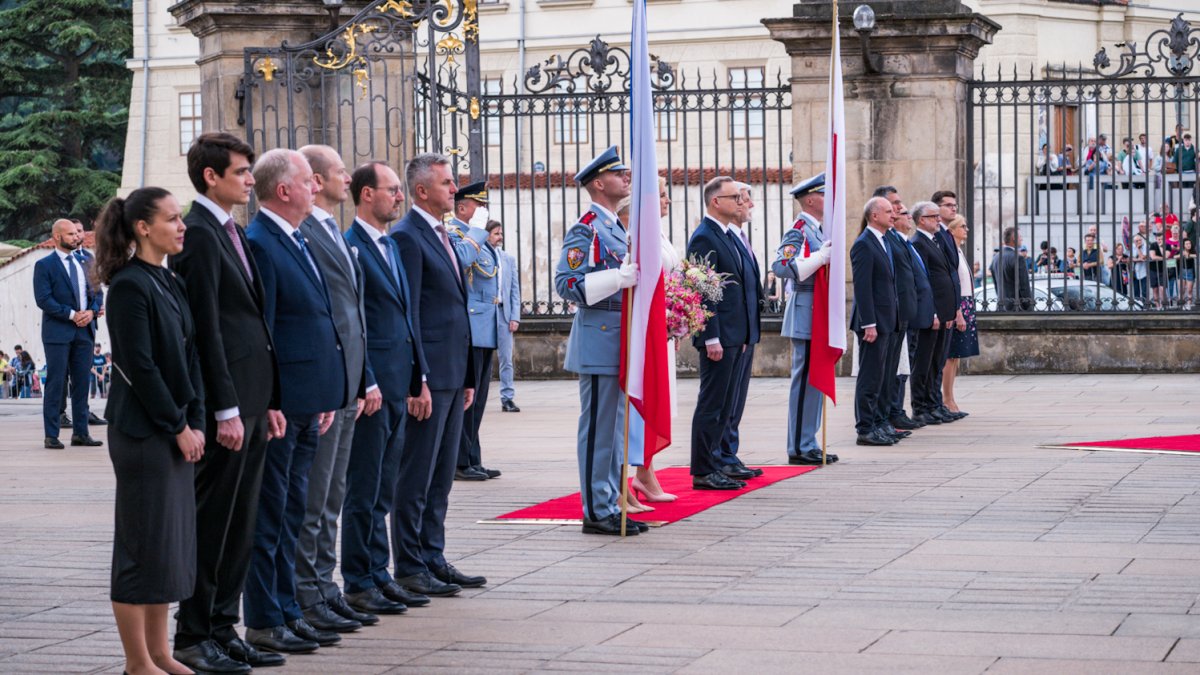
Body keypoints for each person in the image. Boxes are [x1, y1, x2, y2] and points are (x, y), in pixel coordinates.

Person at [170, 132, 286, 675]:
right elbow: (207, 330)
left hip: (255, 400)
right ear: (211, 176)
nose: (249, 179)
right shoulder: (195, 234)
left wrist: (273, 400)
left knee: (241, 521)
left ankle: (223, 626)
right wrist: (224, 409)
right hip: (228, 406)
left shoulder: (231, 231)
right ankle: (193, 635)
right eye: (241, 171)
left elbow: (257, 325)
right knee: (214, 520)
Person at [95, 187, 206, 675]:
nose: (181, 227)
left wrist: (196, 417)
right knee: (141, 548)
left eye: (180, 218)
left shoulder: (169, 280)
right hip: (144, 434)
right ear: (143, 228)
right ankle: (138, 662)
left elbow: (190, 357)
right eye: (171, 219)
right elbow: (139, 366)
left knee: (167, 546)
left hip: (175, 427)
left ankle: (161, 653)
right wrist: (178, 424)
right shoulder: (128, 286)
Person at [241, 149, 347, 655]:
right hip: (285, 404)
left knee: (293, 510)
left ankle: (287, 609)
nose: (317, 188)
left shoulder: (298, 237)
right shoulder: (262, 242)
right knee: (272, 513)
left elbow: (318, 317)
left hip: (311, 398)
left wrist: (325, 392)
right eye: (308, 181)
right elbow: (267, 333)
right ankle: (265, 618)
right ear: (284, 190)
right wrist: (273, 400)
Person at [390, 153, 489, 587]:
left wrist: (467, 375)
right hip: (430, 376)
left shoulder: (445, 233)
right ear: (422, 191)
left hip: (453, 373)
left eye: (453, 182)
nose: (455, 189)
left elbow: (456, 309)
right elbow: (409, 311)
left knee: (442, 474)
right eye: (447, 183)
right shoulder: (408, 236)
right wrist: (419, 379)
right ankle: (410, 566)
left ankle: (434, 555)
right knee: (417, 474)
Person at [294, 145, 378, 634]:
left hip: (348, 379)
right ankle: (310, 592)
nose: (348, 178)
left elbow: (353, 315)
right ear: (316, 180)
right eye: (340, 172)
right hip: (326, 384)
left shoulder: (333, 232)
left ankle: (327, 585)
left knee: (333, 494)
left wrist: (364, 376)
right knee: (315, 497)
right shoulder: (305, 230)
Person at [342, 161, 428, 617]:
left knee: (384, 490)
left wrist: (420, 378)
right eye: (392, 190)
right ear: (366, 195)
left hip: (399, 383)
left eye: (400, 190)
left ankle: (379, 573)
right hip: (374, 385)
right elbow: (355, 324)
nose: (400, 197)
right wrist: (368, 379)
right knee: (364, 489)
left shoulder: (391, 247)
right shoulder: (351, 246)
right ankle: (358, 579)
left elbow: (406, 317)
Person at [553, 146, 649, 535]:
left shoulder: (615, 226)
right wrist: (617, 279)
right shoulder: (587, 227)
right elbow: (566, 283)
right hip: (599, 338)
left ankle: (609, 501)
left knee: (615, 429)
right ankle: (595, 509)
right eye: (618, 173)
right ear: (598, 183)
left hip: (620, 338)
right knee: (598, 428)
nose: (627, 177)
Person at [687, 176, 755, 488]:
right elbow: (701, 290)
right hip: (719, 336)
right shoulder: (705, 237)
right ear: (716, 202)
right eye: (734, 198)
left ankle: (718, 461)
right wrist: (710, 336)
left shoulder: (726, 235)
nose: (741, 203)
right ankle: (703, 468)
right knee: (713, 403)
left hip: (734, 334)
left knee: (727, 403)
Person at [771, 174, 836, 465]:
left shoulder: (820, 230)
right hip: (805, 313)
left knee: (815, 381)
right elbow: (782, 266)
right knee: (805, 382)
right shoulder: (799, 230)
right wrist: (820, 258)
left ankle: (808, 440)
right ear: (810, 199)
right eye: (824, 195)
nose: (828, 199)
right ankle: (798, 446)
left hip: (817, 313)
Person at [447, 181, 503, 481]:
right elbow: (461, 262)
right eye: (478, 206)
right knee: (467, 399)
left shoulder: (474, 235)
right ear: (462, 207)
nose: (483, 211)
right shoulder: (456, 234)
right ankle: (459, 461)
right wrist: (477, 232)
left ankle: (472, 457)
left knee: (479, 399)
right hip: (470, 326)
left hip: (486, 326)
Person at [34, 218, 104, 449]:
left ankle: (81, 433)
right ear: (57, 237)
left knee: (83, 383)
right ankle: (51, 435)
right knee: (56, 383)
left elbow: (98, 293)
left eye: (77, 233)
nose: (77, 237)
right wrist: (73, 315)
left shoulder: (87, 260)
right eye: (71, 234)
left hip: (85, 332)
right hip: (58, 332)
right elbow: (43, 299)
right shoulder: (44, 266)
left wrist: (92, 313)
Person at [716, 182, 765, 480]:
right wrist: (713, 334)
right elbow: (710, 290)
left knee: (735, 399)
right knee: (722, 400)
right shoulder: (713, 237)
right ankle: (719, 457)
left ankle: (728, 453)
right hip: (727, 332)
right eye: (741, 199)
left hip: (745, 332)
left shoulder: (738, 237)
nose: (748, 205)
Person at [850, 197, 899, 446]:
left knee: (882, 376)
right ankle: (865, 428)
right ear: (874, 216)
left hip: (887, 321)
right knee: (870, 376)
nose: (894, 215)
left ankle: (878, 423)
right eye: (889, 211)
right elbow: (863, 288)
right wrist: (868, 322)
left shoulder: (883, 241)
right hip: (873, 324)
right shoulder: (864, 244)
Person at [910, 201, 960, 426]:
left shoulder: (935, 240)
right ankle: (921, 407)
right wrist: (933, 313)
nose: (938, 220)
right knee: (924, 362)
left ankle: (934, 403)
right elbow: (924, 282)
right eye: (933, 216)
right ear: (921, 220)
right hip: (933, 314)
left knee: (937, 361)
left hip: (945, 312)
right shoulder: (918, 242)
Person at [873, 186, 917, 441]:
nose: (899, 209)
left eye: (899, 204)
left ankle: (888, 417)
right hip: (886, 316)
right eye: (893, 205)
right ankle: (878, 421)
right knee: (881, 374)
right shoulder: (881, 239)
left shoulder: (893, 238)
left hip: (900, 314)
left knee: (894, 370)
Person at [942, 215, 977, 416]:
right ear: (952, 229)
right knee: (950, 354)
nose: (967, 229)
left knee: (955, 356)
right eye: (963, 226)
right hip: (959, 304)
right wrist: (958, 312)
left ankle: (950, 397)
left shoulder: (958, 250)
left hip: (966, 302)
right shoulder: (950, 251)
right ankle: (947, 399)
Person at [491, 222, 522, 414]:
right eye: (495, 233)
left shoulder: (508, 259)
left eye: (501, 233)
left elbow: (515, 291)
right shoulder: (478, 257)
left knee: (506, 359)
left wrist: (515, 317)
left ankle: (507, 397)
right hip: (485, 314)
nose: (500, 237)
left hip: (504, 313)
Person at [1181, 238, 1196, 309]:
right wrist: (1182, 255)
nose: (1188, 245)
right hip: (1182, 271)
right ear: (1183, 245)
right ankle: (1183, 304)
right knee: (1182, 289)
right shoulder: (1181, 251)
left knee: (1189, 289)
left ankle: (1189, 304)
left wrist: (1188, 255)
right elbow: (1174, 256)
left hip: (1190, 271)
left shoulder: (1193, 251)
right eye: (1186, 244)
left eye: (1189, 243)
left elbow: (1196, 255)